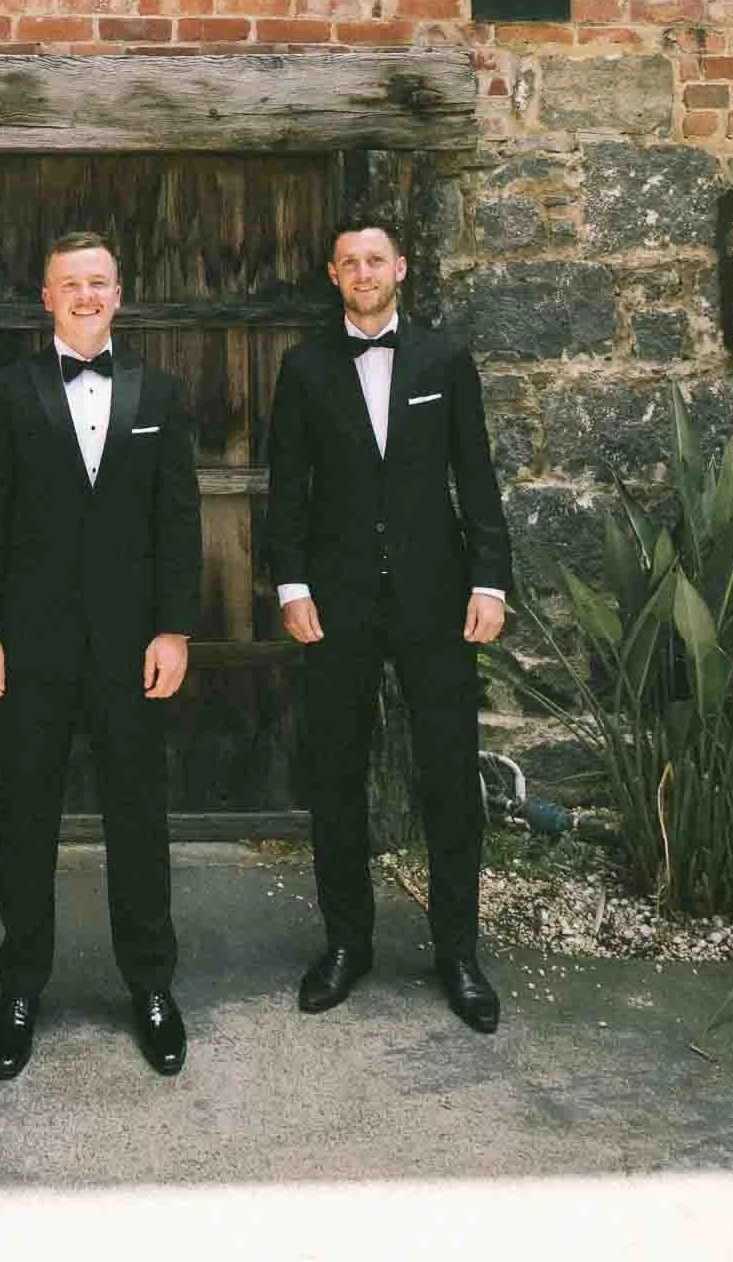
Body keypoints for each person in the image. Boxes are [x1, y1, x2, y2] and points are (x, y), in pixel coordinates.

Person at [0, 231, 202, 1080]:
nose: (87, 295)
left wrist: (174, 630)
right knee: (26, 817)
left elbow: (179, 521)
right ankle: (20, 987)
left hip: (132, 647)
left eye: (99, 282)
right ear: (47, 297)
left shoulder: (161, 392)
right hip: (30, 646)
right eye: (71, 283)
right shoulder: (5, 392)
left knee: (139, 816)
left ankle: (151, 985)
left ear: (119, 293)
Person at [265, 210, 512, 1034]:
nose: (364, 273)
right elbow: (287, 487)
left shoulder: (445, 358)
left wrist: (490, 583)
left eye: (376, 260)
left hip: (436, 597)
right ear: (333, 275)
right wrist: (292, 586)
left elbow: (476, 475)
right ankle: (347, 944)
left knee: (449, 776)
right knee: (336, 774)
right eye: (349, 262)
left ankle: (458, 953)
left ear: (400, 268)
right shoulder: (303, 368)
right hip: (336, 602)